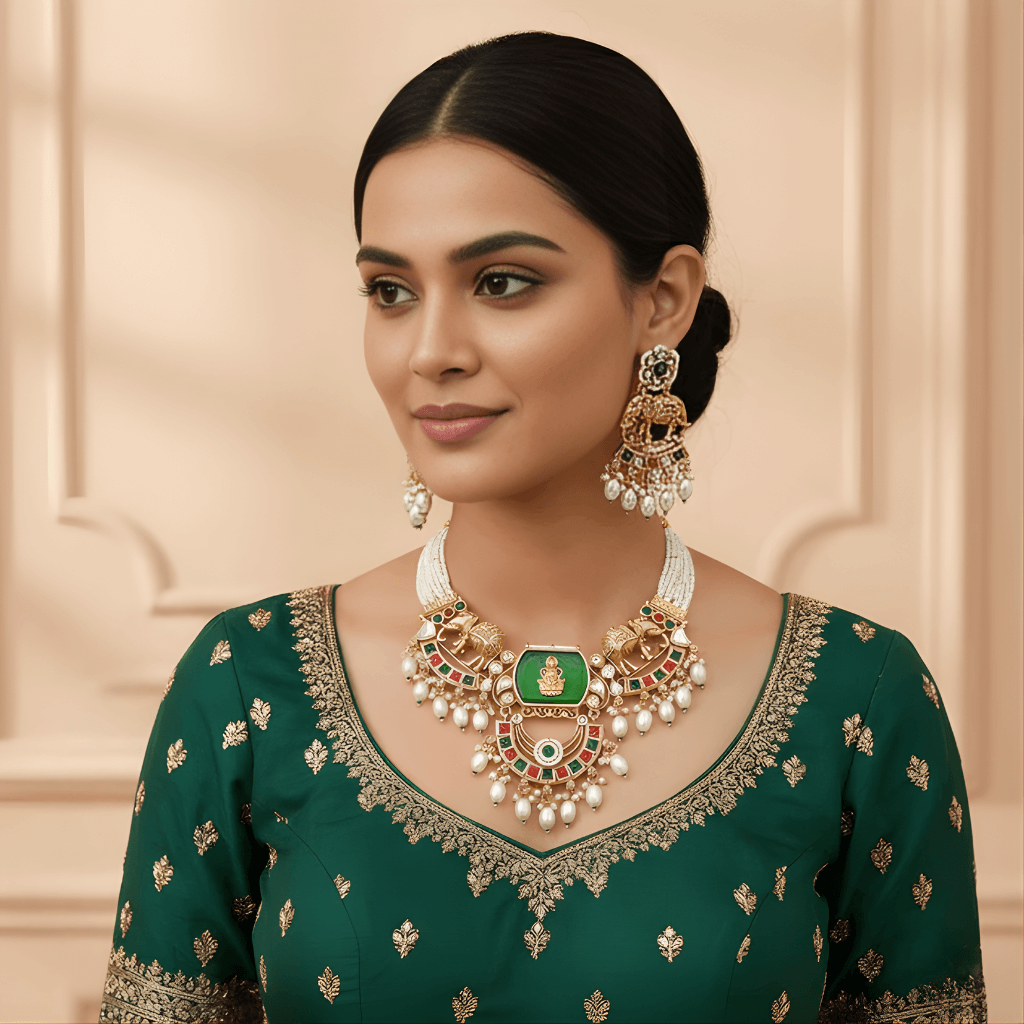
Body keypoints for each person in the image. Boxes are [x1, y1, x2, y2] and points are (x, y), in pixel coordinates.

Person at [99, 32, 985, 1024]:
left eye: (501, 282)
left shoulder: (854, 693)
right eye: (391, 291)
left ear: (663, 300)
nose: (428, 350)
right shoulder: (248, 685)